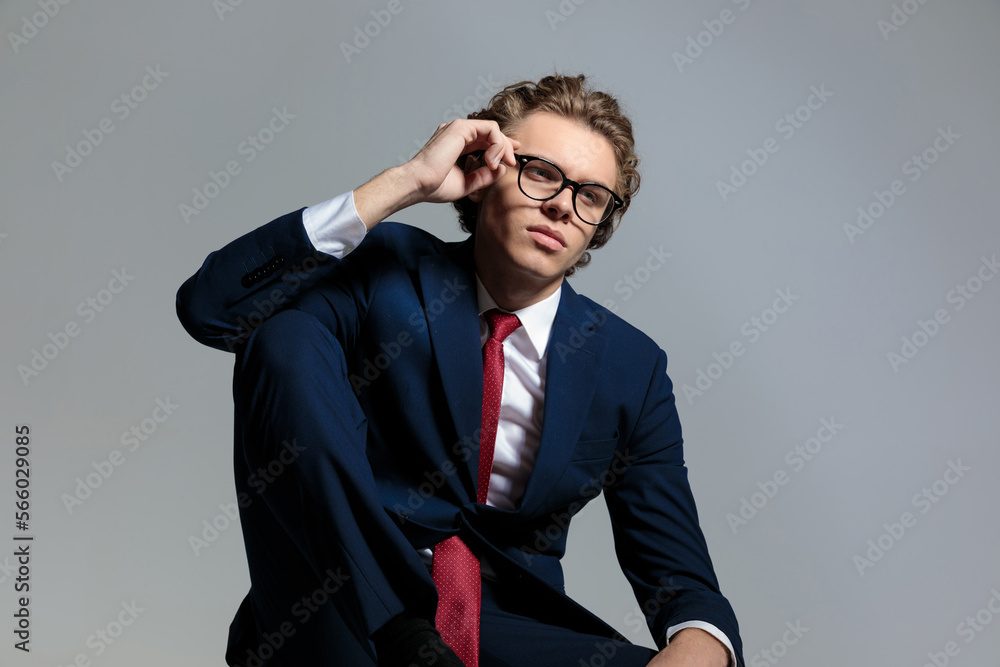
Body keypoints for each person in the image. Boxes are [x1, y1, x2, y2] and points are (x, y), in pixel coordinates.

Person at [177, 73, 743, 667]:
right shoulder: (388, 268)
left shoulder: (634, 368)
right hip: (334, 596)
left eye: (591, 196)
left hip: (509, 626)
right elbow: (213, 310)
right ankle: (396, 623)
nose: (560, 205)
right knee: (283, 333)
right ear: (484, 171)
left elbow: (681, 578)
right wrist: (404, 184)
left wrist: (702, 644)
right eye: (541, 172)